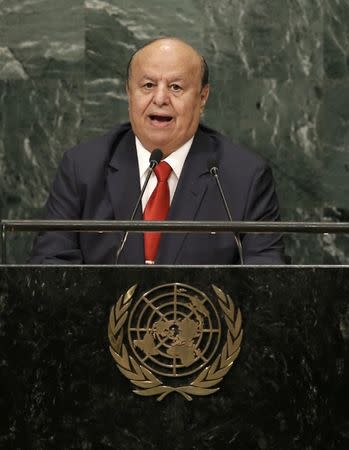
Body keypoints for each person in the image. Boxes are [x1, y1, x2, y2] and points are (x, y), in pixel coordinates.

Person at [30, 37, 285, 265]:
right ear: (129, 92)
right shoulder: (83, 167)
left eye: (175, 87)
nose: (160, 98)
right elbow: (51, 263)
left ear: (203, 97)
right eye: (148, 85)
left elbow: (265, 277)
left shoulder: (244, 176)